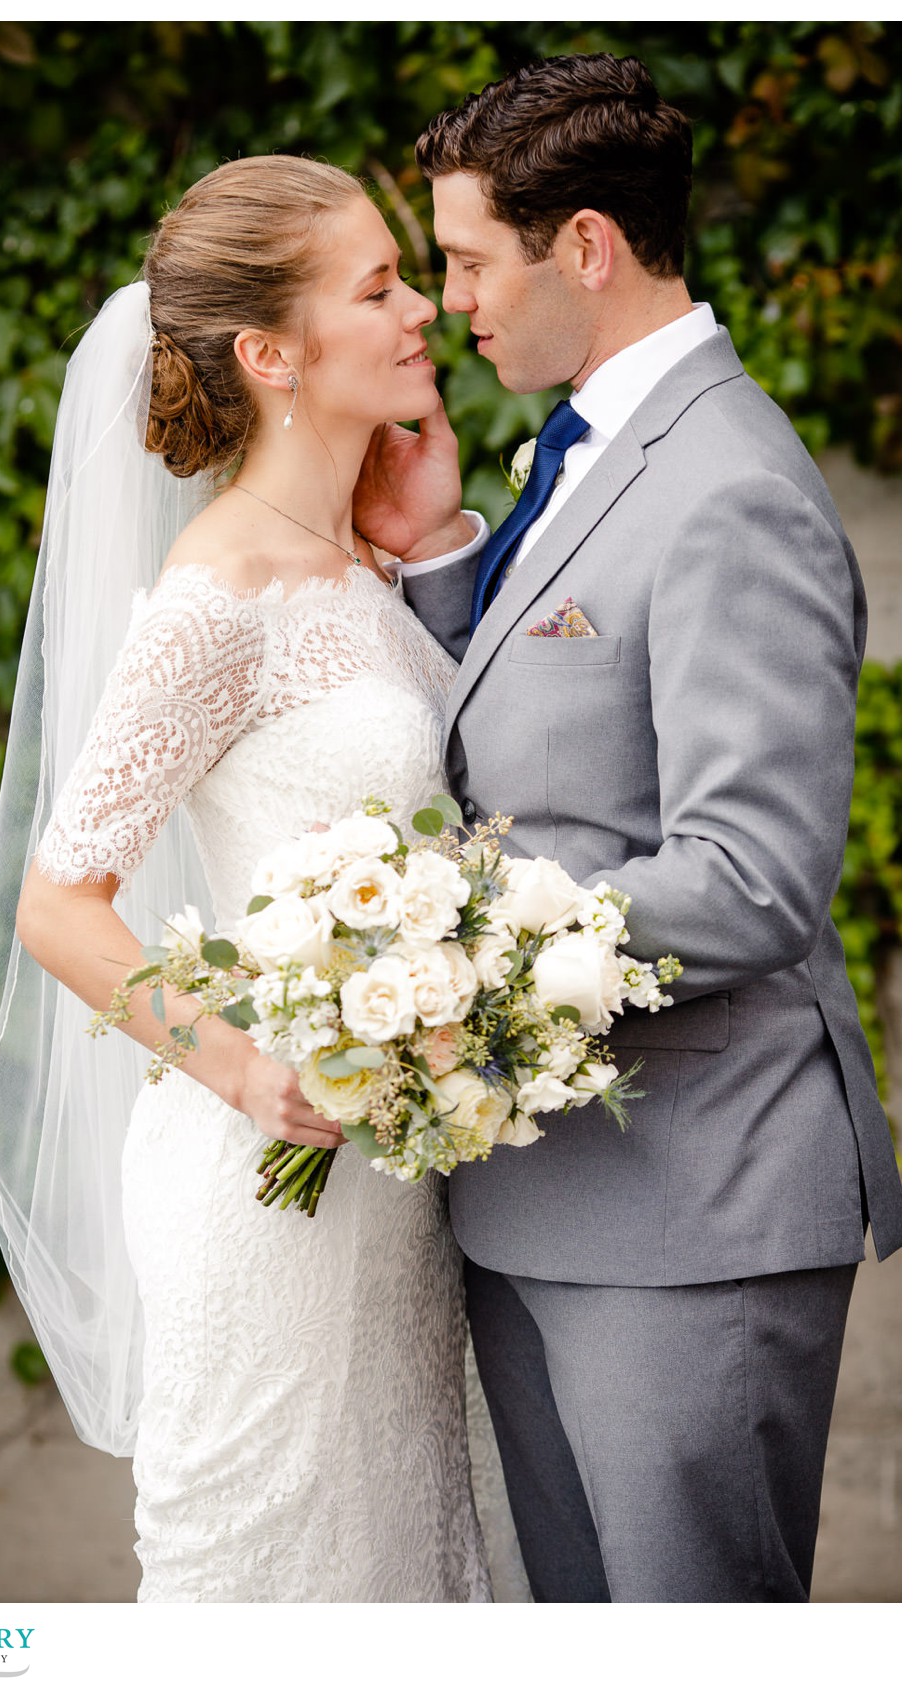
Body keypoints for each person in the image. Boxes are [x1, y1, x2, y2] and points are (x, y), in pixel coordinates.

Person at [352, 52, 903, 1602]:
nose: (451, 300)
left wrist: (445, 940)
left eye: (465, 260)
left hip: (694, 1208)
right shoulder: (579, 449)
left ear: (582, 245)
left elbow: (751, 878)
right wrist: (451, 559)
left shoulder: (732, 486)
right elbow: (559, 741)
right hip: (550, 1191)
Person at [0, 155, 512, 1603]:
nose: (422, 316)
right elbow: (58, 902)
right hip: (270, 1189)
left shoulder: (360, 572)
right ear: (269, 352)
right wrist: (244, 1072)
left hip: (391, 1203)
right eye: (380, 287)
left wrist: (435, 538)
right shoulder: (220, 595)